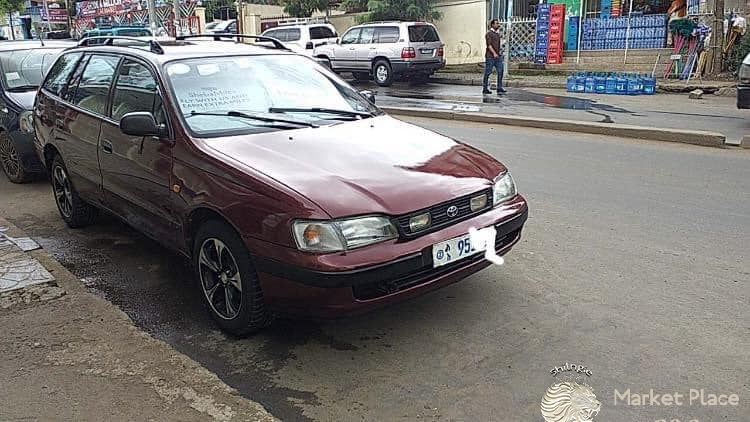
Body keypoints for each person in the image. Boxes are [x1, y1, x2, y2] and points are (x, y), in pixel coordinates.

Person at [483, 19, 506, 95]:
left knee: (500, 70)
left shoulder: (497, 34)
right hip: (490, 56)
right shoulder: (489, 34)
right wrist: (494, 53)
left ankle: (499, 87)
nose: (498, 25)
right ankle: (485, 88)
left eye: (498, 23)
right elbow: (489, 45)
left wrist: (499, 53)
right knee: (488, 72)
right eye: (497, 23)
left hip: (497, 56)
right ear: (492, 25)